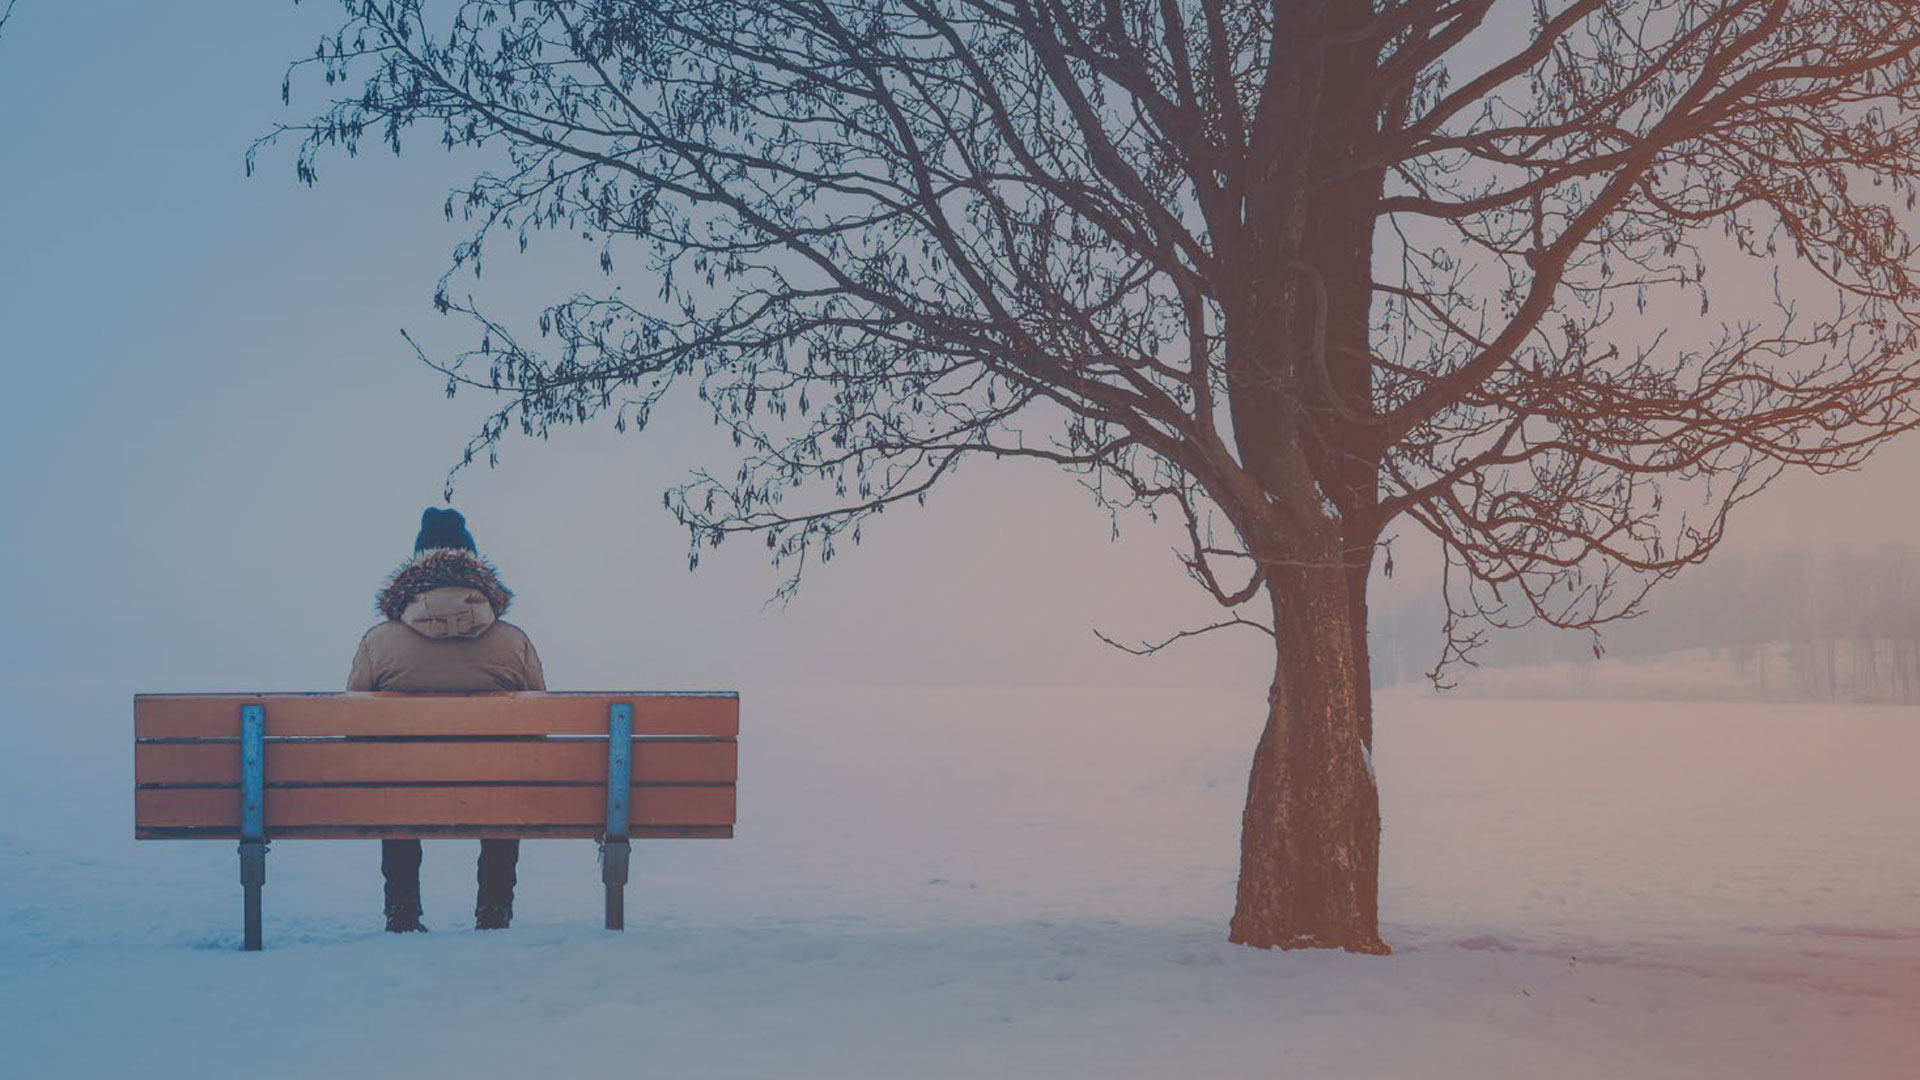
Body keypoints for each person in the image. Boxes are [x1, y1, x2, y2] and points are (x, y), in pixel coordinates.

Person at [347, 508, 546, 932]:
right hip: (492, 791)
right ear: (473, 565)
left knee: (394, 782)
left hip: (403, 791)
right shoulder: (513, 643)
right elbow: (538, 727)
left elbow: (354, 727)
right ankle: (493, 910)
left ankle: (402, 913)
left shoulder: (378, 643)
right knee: (504, 783)